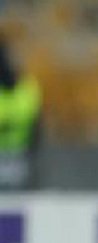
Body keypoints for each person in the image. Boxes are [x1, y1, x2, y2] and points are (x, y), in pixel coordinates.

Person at [0, 39, 42, 190]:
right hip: (21, 161)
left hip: (19, 161)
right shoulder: (28, 88)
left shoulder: (28, 89)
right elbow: (37, 130)